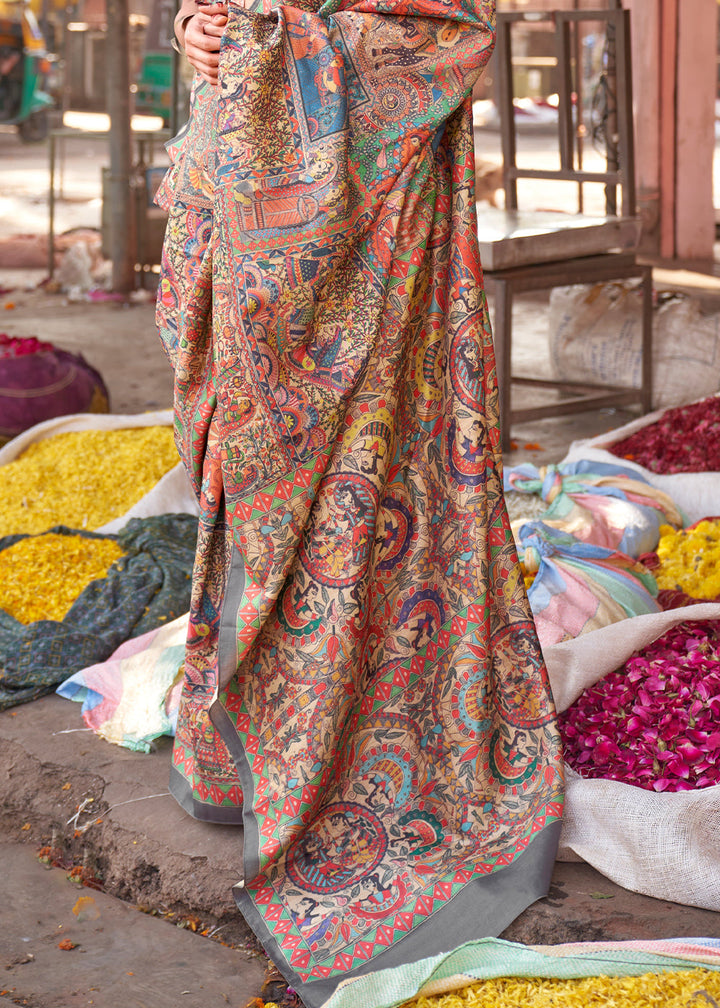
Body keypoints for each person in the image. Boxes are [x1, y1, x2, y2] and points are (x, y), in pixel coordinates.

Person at [156, 1, 564, 1005]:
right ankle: (248, 773)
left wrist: (282, 52)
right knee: (251, 490)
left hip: (372, 237)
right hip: (253, 212)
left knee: (359, 501)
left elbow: (452, 28)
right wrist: (202, 29)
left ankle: (349, 793)